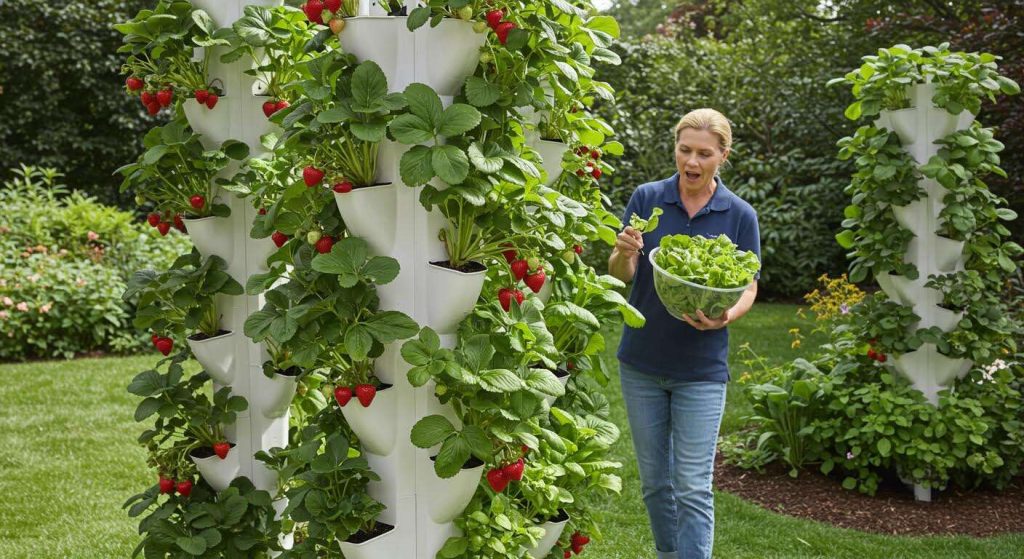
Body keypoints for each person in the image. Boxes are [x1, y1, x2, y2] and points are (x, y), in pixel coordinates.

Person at [608, 108, 761, 559]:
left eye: (704, 153)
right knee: (656, 485)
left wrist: (726, 315)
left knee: (693, 487)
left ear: (723, 156)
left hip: (701, 368)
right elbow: (621, 275)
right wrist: (622, 251)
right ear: (675, 148)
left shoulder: (738, 214)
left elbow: (749, 283)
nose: (692, 162)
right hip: (642, 362)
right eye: (684, 150)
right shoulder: (647, 198)